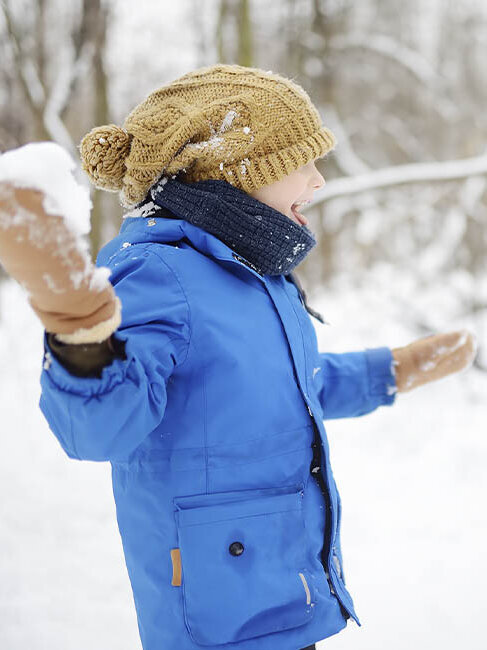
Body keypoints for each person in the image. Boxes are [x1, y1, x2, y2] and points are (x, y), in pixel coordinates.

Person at [0, 63, 476, 650]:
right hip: (218, 616)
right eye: (303, 160)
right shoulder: (160, 272)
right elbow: (99, 429)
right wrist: (82, 335)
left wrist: (391, 370)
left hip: (282, 589)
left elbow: (292, 387)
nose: (319, 180)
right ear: (240, 171)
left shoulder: (256, 277)